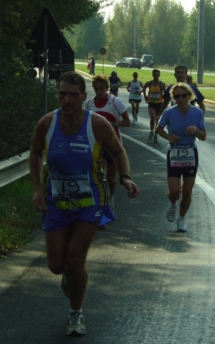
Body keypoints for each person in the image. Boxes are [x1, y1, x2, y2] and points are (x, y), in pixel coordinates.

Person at [29, 71, 139, 337]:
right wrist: (37, 190)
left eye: (73, 95)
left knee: (76, 260)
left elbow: (117, 151)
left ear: (83, 97)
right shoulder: (47, 123)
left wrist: (124, 177)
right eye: (62, 94)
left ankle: (75, 313)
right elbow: (35, 153)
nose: (67, 100)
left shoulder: (97, 124)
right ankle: (69, 274)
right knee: (57, 265)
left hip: (90, 202)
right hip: (57, 203)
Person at [156, 83, 206, 232]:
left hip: (190, 152)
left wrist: (196, 130)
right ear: (174, 98)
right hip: (175, 152)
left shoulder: (197, 113)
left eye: (183, 95)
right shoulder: (169, 112)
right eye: (177, 96)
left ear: (189, 96)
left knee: (187, 191)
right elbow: (158, 128)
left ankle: (182, 218)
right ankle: (173, 205)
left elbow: (203, 136)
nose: (180, 99)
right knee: (174, 191)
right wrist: (168, 137)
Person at [84, 74, 130, 213]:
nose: (99, 92)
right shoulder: (88, 103)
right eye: (96, 89)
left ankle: (110, 199)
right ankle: (98, 203)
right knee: (96, 176)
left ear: (107, 88)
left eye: (102, 89)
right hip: (95, 145)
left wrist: (113, 123)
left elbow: (127, 122)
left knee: (110, 177)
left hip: (112, 145)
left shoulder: (115, 102)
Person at [143, 69, 166, 143]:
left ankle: (156, 134)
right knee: (153, 118)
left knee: (157, 120)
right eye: (155, 75)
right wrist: (145, 96)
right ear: (152, 75)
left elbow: (165, 93)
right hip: (151, 104)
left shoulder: (162, 84)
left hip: (159, 104)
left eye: (157, 75)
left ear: (159, 75)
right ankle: (151, 131)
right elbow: (143, 88)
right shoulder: (149, 83)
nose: (156, 76)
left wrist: (163, 96)